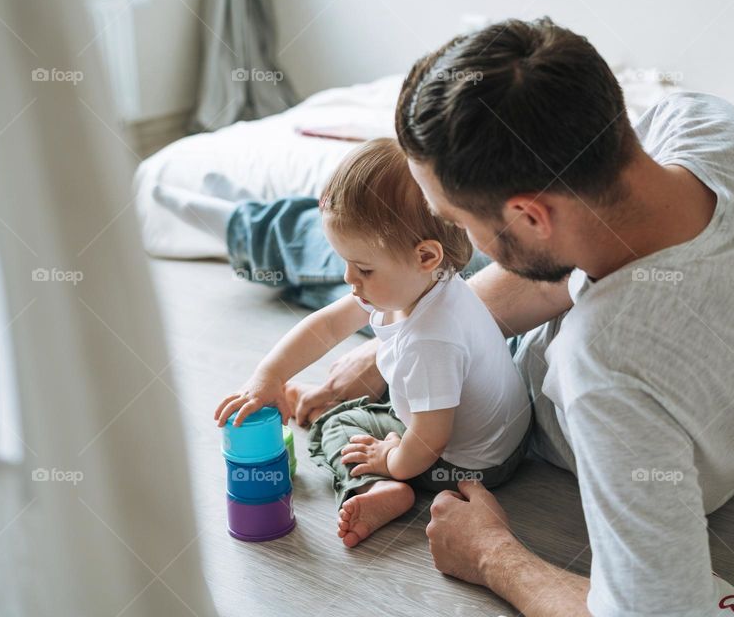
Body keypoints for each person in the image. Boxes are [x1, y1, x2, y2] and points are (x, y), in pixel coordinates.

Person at [294, 18, 734, 615]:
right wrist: (393, 344)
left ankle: (257, 231)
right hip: (728, 405)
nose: (454, 242)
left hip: (555, 419)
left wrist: (493, 555)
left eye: (457, 222)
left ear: (529, 216)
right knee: (363, 246)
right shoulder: (706, 123)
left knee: (318, 245)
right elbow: (571, 270)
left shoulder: (608, 372)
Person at [212, 138, 532, 548]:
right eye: (345, 261)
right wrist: (268, 376)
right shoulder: (427, 284)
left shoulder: (430, 340)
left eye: (362, 267)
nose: (349, 278)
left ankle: (376, 489)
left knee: (335, 424)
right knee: (389, 393)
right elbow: (325, 327)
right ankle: (383, 458)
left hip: (467, 465)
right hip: (501, 435)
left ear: (426, 256)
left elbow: (431, 438)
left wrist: (391, 461)